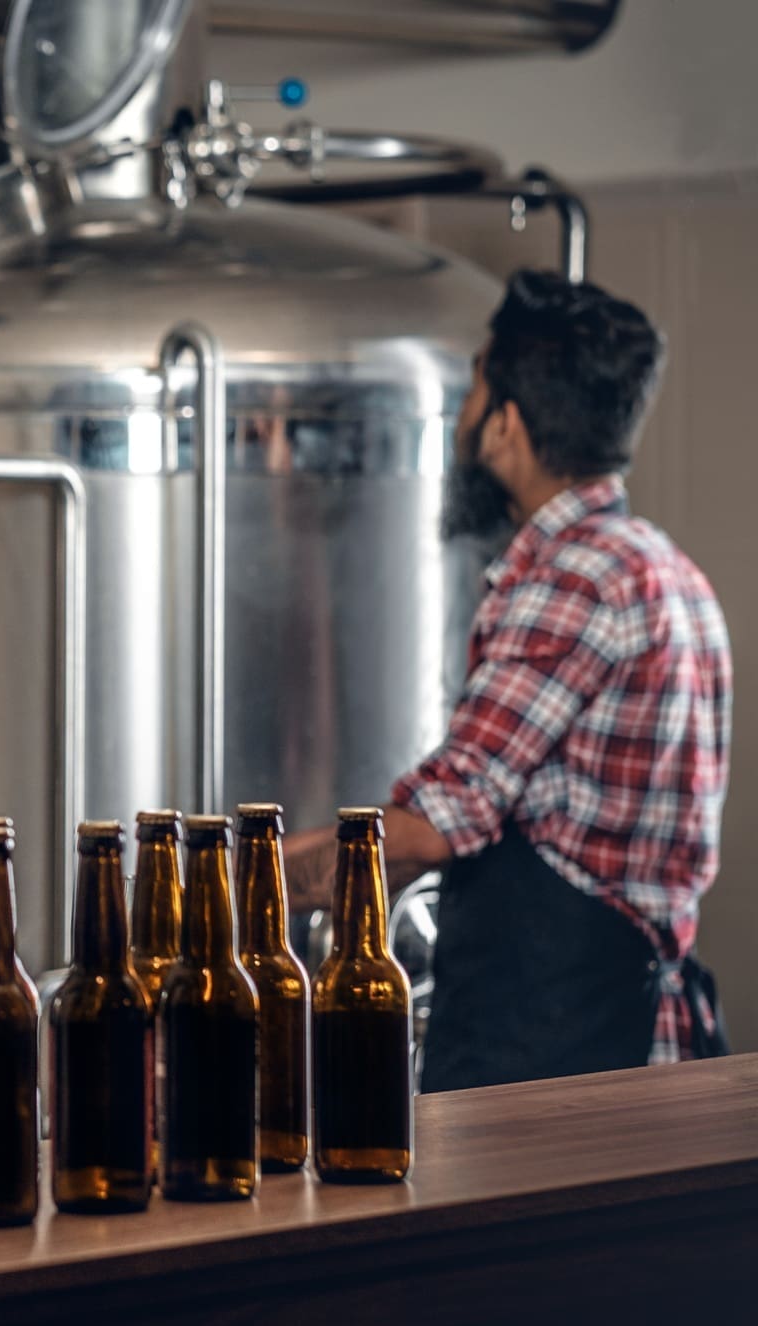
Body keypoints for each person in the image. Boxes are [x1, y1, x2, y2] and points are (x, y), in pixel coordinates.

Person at [283, 270, 732, 1092]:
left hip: (561, 1069)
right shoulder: (667, 570)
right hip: (634, 1048)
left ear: (506, 426)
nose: (462, 418)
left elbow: (429, 828)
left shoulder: (574, 580)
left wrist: (229, 886)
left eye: (473, 391)